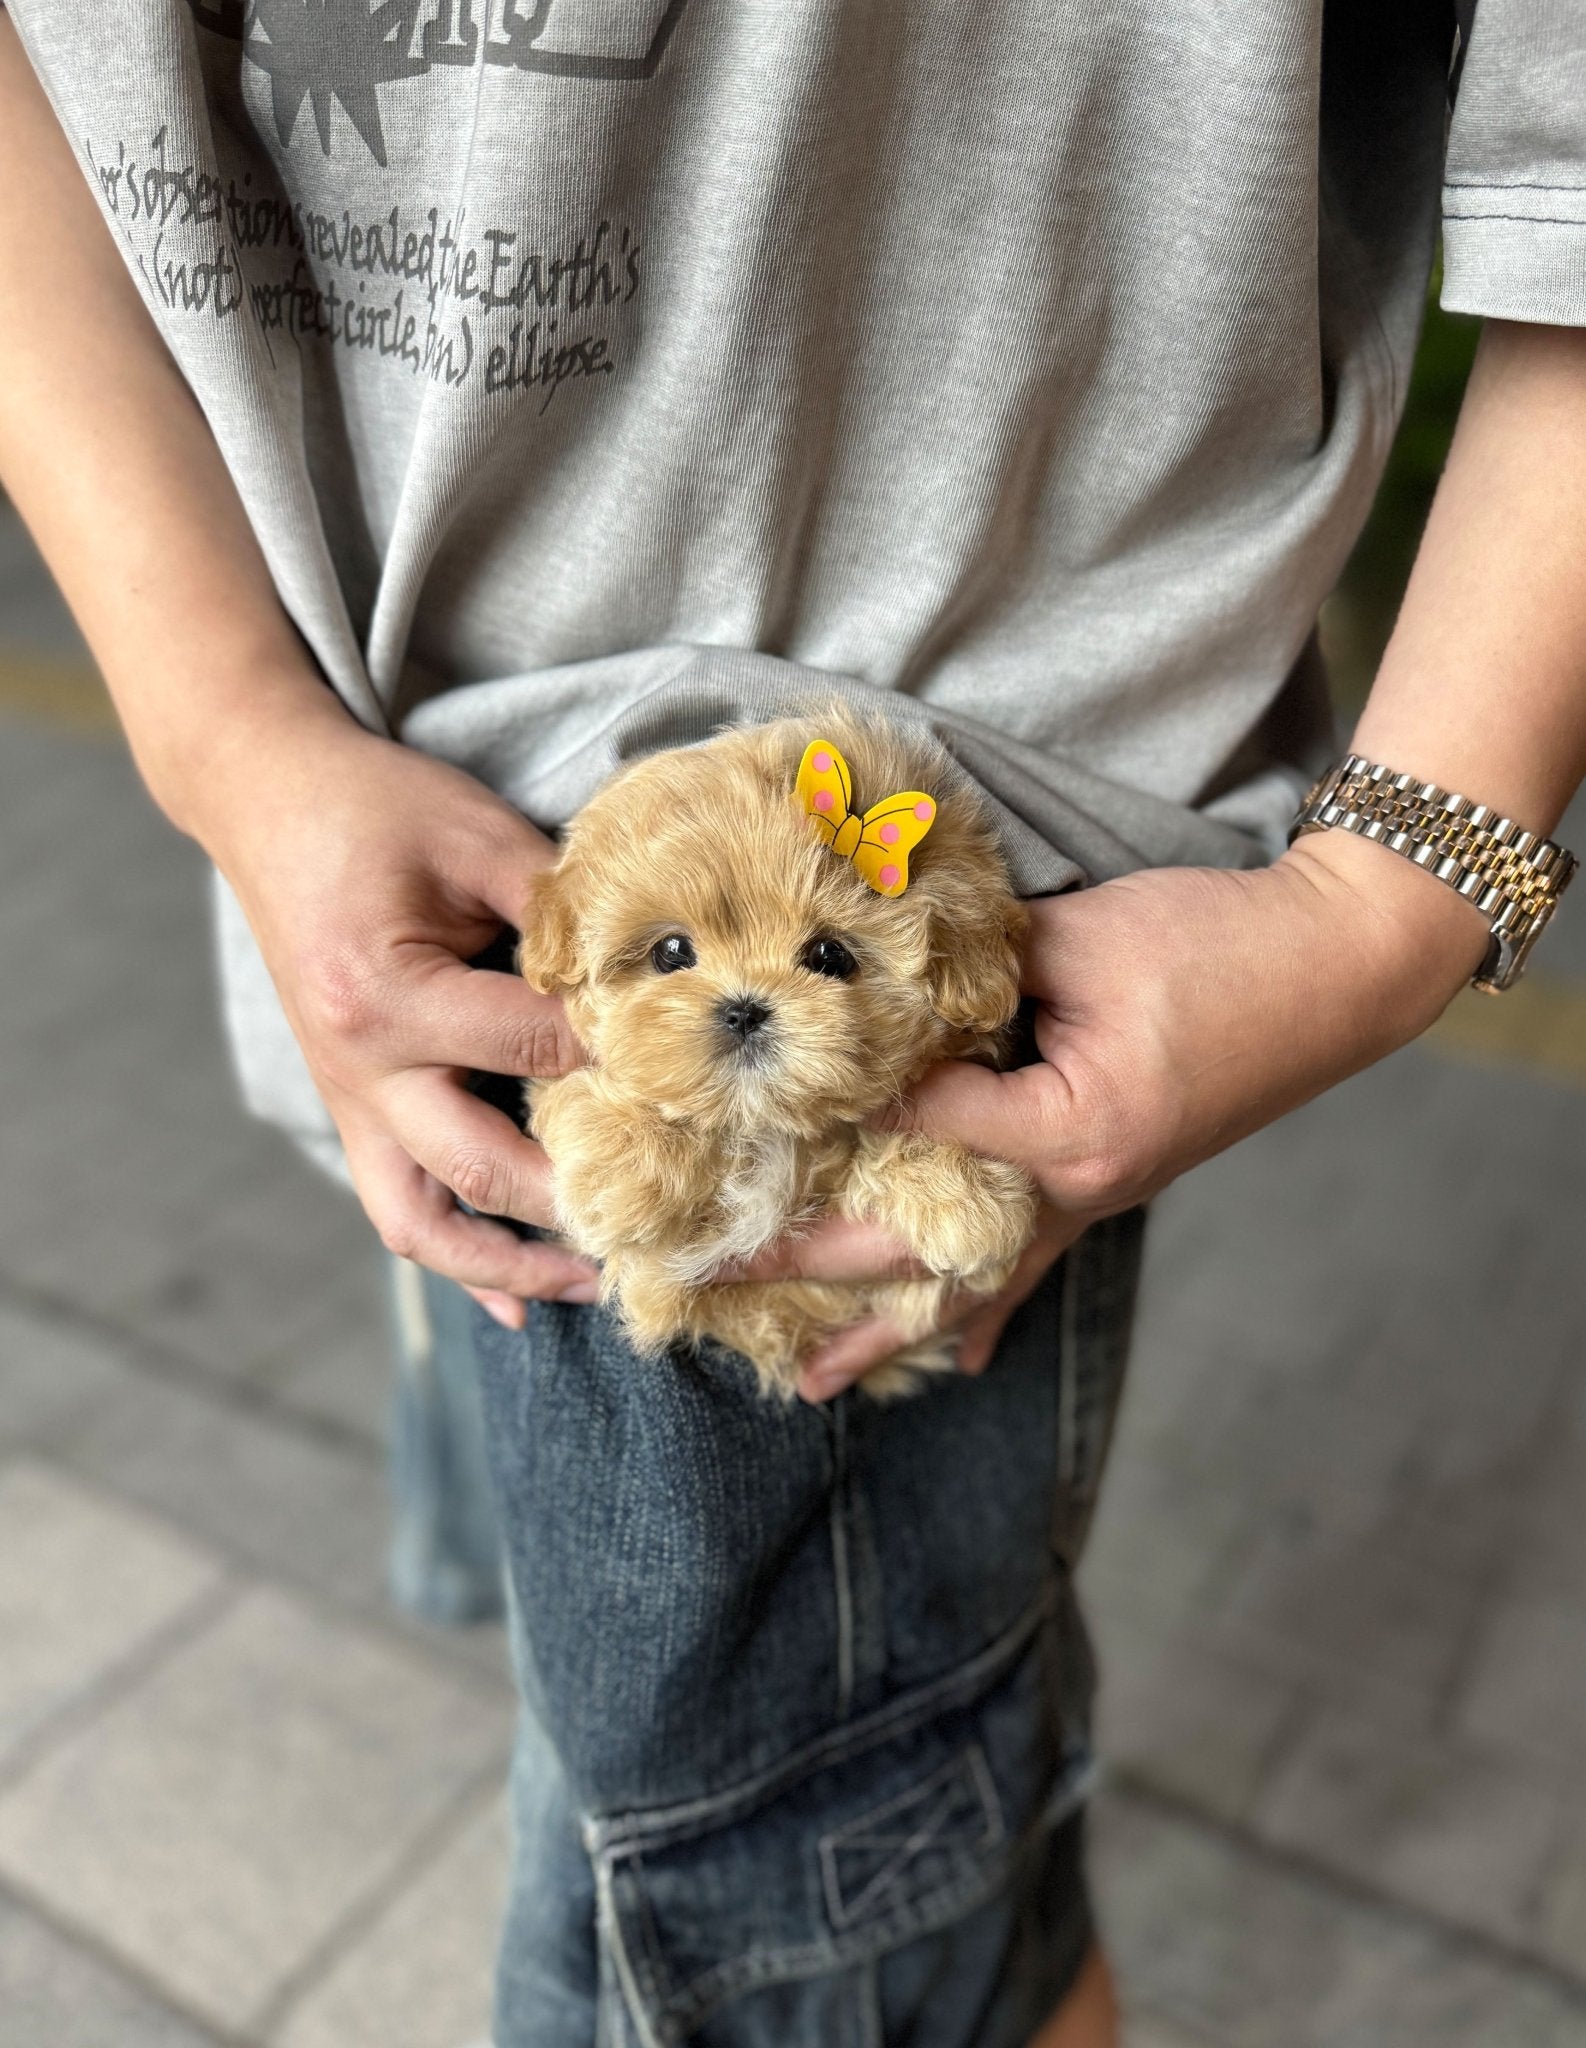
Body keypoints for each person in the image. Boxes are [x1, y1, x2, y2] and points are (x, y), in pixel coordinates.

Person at [2, 5, 1582, 2043]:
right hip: (380, 874)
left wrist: (1392, 901)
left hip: (945, 966)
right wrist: (220, 721)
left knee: (812, 1943)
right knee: (888, 1898)